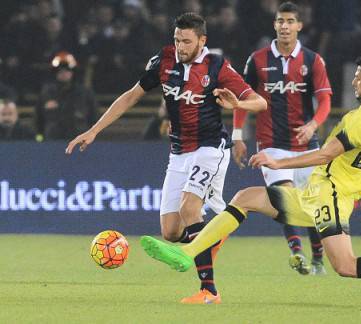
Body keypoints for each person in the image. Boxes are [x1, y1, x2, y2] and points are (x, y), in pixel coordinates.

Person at [139, 49, 361, 309]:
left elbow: (324, 155)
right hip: (320, 190)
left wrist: (276, 160)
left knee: (346, 266)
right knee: (245, 198)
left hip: (331, 196)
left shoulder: (359, 120)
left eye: (359, 78)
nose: (354, 83)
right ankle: (187, 253)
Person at [66, 12, 267, 304]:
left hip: (210, 148)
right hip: (178, 152)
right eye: (177, 40)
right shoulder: (163, 61)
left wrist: (238, 103)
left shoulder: (218, 66)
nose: (181, 47)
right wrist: (95, 130)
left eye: (186, 41)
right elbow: (130, 96)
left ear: (202, 41)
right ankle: (211, 235)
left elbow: (260, 102)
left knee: (189, 207)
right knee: (171, 232)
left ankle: (209, 291)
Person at [233, 2, 332, 275]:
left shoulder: (313, 61)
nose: (285, 26)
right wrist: (237, 136)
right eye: (280, 21)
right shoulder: (258, 60)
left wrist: (313, 125)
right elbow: (243, 99)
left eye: (290, 21)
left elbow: (325, 100)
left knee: (311, 203)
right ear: (274, 25)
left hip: (306, 145)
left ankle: (318, 259)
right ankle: (297, 252)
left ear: (300, 26)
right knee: (285, 198)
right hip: (271, 145)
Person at [36, 51, 98, 140]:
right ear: (55, 73)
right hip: (52, 142)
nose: (63, 73)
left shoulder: (85, 93)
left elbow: (94, 117)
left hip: (78, 141)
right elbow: (39, 119)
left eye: (67, 70)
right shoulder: (46, 93)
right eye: (60, 70)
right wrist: (40, 138)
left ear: (73, 72)